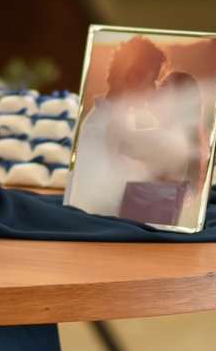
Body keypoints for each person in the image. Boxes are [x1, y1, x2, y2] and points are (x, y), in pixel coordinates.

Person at [71, 37, 205, 222]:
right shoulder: (98, 128)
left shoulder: (162, 137)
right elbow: (87, 201)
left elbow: (121, 142)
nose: (154, 89)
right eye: (153, 81)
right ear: (133, 78)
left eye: (162, 84)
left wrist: (120, 92)